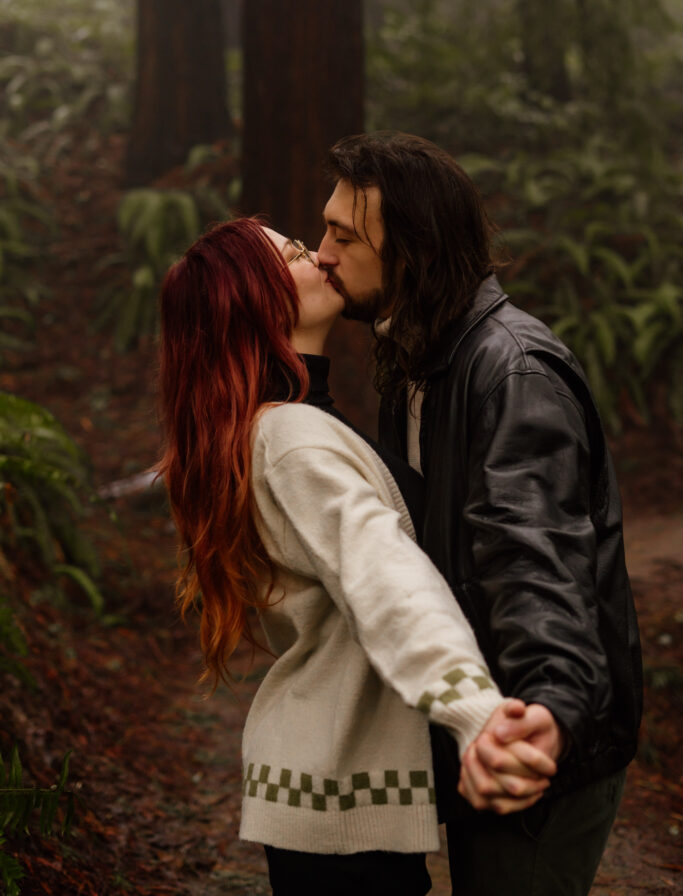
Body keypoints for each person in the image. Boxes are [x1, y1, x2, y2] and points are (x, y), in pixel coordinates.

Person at [157, 219, 555, 896]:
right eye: (293, 254)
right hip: (337, 788)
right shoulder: (291, 438)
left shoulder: (292, 424)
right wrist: (473, 710)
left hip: (333, 781)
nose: (318, 256)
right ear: (253, 300)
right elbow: (384, 577)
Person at [318, 131, 643, 896]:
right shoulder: (421, 352)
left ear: (413, 253)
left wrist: (550, 709)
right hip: (483, 722)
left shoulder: (511, 373)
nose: (322, 252)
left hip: (539, 744)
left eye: (343, 235)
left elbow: (533, 559)